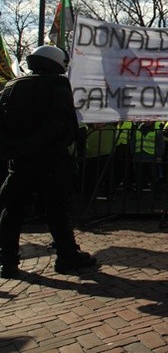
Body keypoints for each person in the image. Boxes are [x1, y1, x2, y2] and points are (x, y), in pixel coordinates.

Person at [0, 46, 97, 279]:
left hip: (20, 162)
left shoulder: (12, 87)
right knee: (56, 209)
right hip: (51, 161)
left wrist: (14, 149)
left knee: (12, 210)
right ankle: (66, 255)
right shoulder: (56, 85)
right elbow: (59, 124)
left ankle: (7, 259)